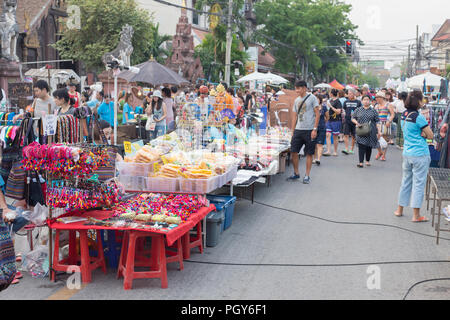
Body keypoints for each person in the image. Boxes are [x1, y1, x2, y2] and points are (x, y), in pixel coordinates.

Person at [395, 90, 433, 222]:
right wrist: (423, 134)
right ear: (418, 101)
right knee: (418, 184)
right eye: (422, 99)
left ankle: (399, 210)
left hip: (407, 153)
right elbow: (430, 135)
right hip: (420, 154)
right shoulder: (419, 116)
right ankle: (416, 215)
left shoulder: (404, 114)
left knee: (405, 182)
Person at [288, 80, 320, 184]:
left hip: (309, 130)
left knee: (309, 153)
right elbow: (294, 116)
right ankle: (296, 172)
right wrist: (292, 130)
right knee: (293, 151)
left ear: (305, 88)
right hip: (298, 129)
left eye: (299, 88)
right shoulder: (296, 100)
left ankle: (307, 175)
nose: (297, 90)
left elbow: (317, 113)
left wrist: (315, 129)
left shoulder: (312, 98)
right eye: (296, 88)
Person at [351, 95, 382, 168]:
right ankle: (360, 162)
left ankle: (367, 160)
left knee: (369, 146)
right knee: (361, 145)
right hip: (361, 130)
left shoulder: (373, 110)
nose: (366, 101)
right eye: (364, 99)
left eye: (367, 100)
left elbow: (377, 121)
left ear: (370, 101)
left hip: (371, 131)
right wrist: (356, 123)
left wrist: (379, 131)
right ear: (362, 101)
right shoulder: (358, 110)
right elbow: (352, 118)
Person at [374, 91, 395, 161]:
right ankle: (380, 152)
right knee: (377, 139)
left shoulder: (388, 105)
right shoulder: (376, 106)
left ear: (382, 98)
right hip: (377, 124)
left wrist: (389, 121)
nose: (376, 99)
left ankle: (383, 155)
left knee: (385, 140)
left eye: (377, 97)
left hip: (386, 123)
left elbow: (392, 114)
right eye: (376, 97)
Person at [342, 88, 362, 155]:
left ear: (354, 94)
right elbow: (344, 109)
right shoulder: (346, 102)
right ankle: (346, 148)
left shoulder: (358, 102)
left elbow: (360, 111)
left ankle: (351, 149)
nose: (349, 95)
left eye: (350, 94)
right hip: (347, 120)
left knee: (353, 135)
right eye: (348, 94)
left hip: (355, 121)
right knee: (346, 134)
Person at [323, 89, 343, 157]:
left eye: (329, 93)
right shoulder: (330, 101)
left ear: (331, 94)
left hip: (336, 121)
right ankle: (328, 150)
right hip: (329, 120)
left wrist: (331, 106)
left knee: (335, 136)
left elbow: (338, 111)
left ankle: (335, 151)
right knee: (328, 134)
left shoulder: (338, 101)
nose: (328, 94)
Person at [313, 95, 329, 165]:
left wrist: (323, 122)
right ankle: (314, 158)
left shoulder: (324, 108)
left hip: (322, 127)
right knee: (314, 144)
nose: (316, 101)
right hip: (313, 128)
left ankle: (318, 159)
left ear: (320, 100)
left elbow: (327, 117)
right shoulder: (311, 108)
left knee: (320, 144)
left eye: (317, 99)